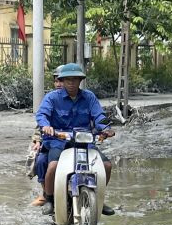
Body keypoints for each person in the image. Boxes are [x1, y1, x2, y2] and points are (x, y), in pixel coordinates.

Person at [35, 63, 115, 216]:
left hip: (84, 140)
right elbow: (42, 114)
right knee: (53, 166)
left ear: (80, 81)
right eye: (68, 80)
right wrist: (46, 126)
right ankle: (50, 199)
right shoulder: (52, 98)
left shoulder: (89, 97)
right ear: (62, 81)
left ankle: (98, 198)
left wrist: (106, 128)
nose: (71, 83)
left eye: (75, 79)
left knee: (106, 165)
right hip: (58, 140)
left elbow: (99, 116)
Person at [30, 65, 64, 206]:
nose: (58, 84)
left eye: (61, 81)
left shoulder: (83, 98)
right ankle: (46, 194)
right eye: (56, 81)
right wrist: (38, 140)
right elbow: (41, 121)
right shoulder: (50, 98)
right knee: (41, 161)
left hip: (74, 141)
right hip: (52, 140)